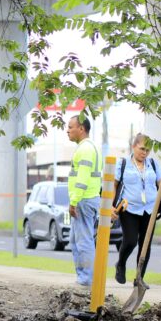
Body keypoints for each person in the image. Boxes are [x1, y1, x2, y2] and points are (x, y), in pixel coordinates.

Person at [113, 133, 161, 284]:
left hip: (149, 210)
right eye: (142, 149)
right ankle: (121, 264)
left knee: (145, 245)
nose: (144, 153)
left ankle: (139, 278)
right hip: (129, 209)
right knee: (130, 241)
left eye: (147, 150)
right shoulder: (122, 164)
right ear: (133, 146)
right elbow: (113, 186)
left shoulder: (152, 164)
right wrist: (110, 207)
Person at [67, 115, 101, 287]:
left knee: (83, 241)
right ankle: (83, 276)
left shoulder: (86, 149)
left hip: (84, 200)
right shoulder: (87, 147)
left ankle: (86, 278)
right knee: (75, 241)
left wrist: (74, 201)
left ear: (81, 129)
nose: (67, 130)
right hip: (86, 199)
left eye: (70, 127)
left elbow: (82, 178)